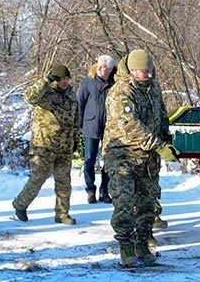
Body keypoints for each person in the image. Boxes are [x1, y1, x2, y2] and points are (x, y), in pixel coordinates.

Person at [102, 48, 178, 267]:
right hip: (122, 156)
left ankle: (142, 244)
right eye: (145, 72)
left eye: (151, 70)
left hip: (147, 158)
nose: (150, 75)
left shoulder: (153, 88)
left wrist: (170, 137)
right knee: (124, 203)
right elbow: (131, 126)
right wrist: (160, 146)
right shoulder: (120, 92)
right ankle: (125, 245)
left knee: (147, 203)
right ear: (133, 71)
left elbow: (161, 115)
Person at [12, 64, 81, 224]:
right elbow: (29, 97)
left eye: (66, 79)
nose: (64, 82)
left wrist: (77, 140)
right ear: (54, 79)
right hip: (45, 146)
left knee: (64, 182)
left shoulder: (71, 94)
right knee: (38, 178)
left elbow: (76, 118)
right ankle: (20, 204)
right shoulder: (45, 92)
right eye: (60, 79)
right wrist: (46, 80)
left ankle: (62, 214)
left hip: (65, 147)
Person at [77, 55, 116, 204]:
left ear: (110, 69)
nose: (99, 69)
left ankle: (104, 191)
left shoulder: (115, 82)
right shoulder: (89, 81)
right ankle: (90, 190)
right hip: (91, 125)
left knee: (108, 161)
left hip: (109, 128)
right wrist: (79, 124)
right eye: (98, 66)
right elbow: (80, 102)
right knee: (89, 160)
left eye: (103, 67)